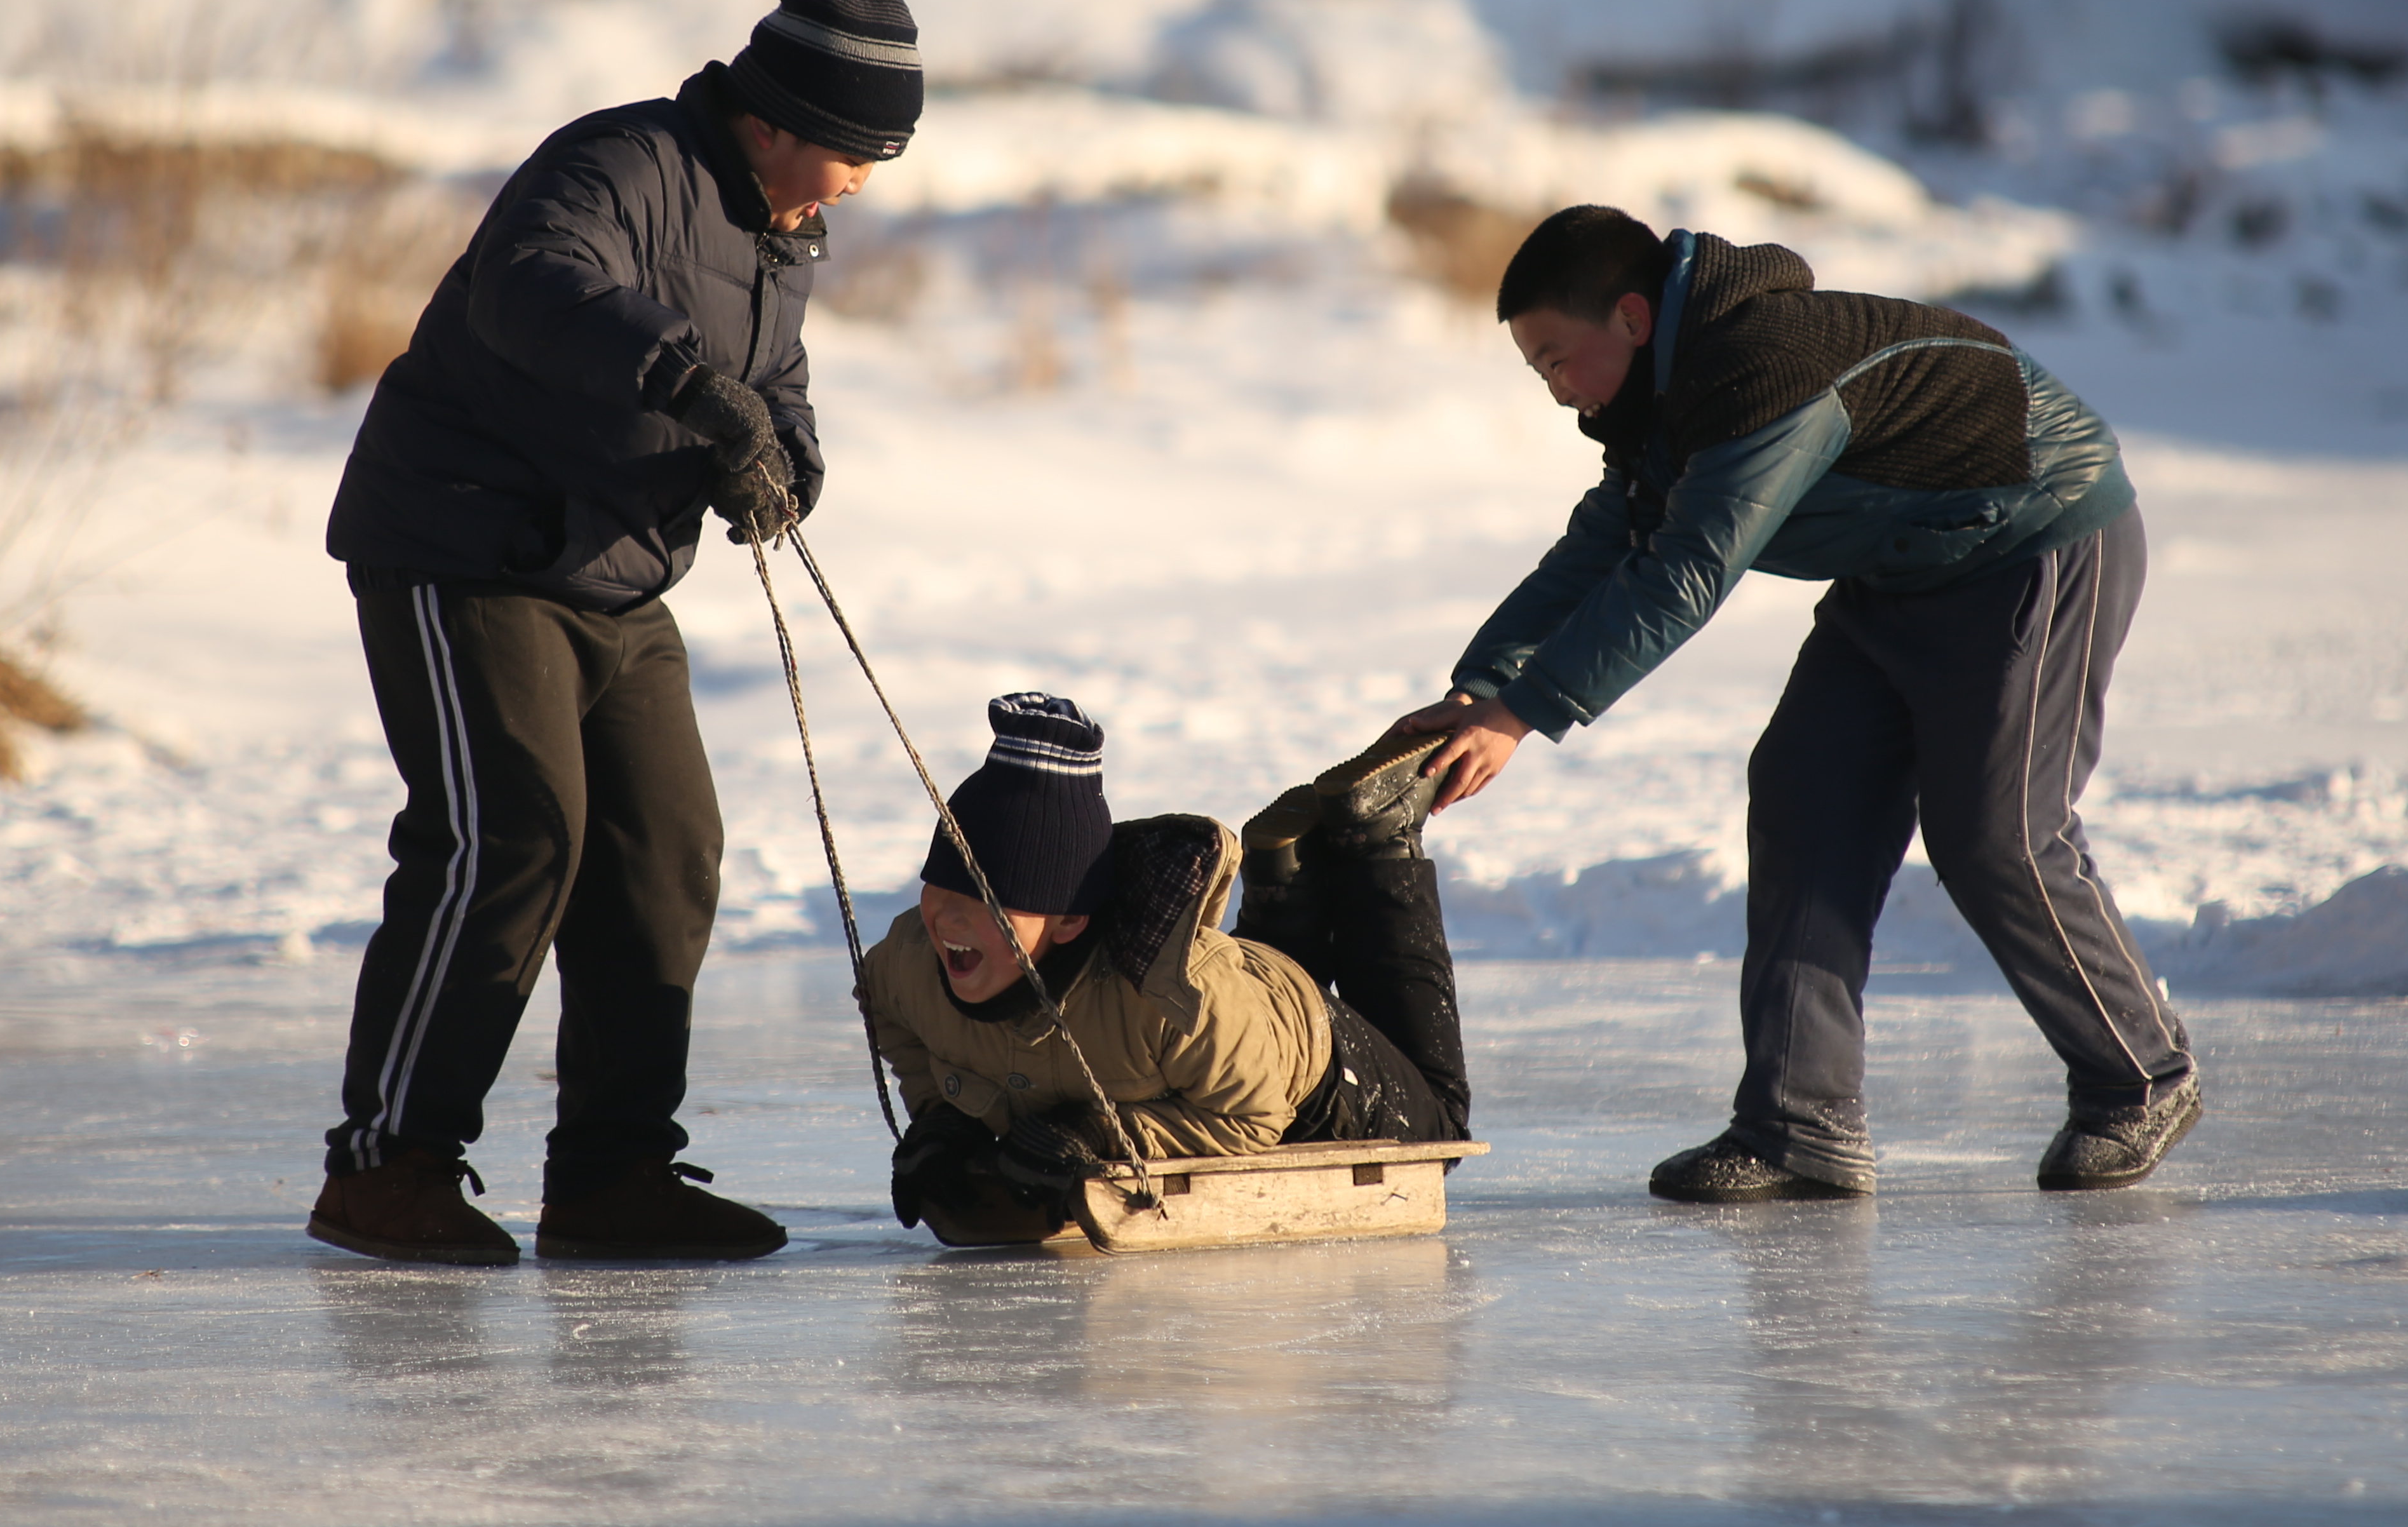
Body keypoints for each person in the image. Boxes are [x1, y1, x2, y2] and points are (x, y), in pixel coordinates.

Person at [304, 0, 921, 1266]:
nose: (861, 182)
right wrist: (694, 388)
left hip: (619, 573)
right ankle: (388, 1168)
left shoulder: (780, 229)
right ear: (774, 116)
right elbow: (531, 282)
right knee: (511, 835)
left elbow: (780, 381)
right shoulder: (621, 161)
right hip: (468, 547)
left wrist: (780, 466)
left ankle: (611, 1176)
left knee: (665, 850)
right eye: (855, 150)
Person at [1398, 205, 2199, 1202]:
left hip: (2033, 538)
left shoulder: (1760, 366)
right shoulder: (1658, 404)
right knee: (1805, 791)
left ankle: (2139, 1076)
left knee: (1996, 832)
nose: (1558, 390)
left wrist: (1522, 714)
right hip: (1903, 570)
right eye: (1539, 372)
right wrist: (1480, 685)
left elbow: (1684, 573)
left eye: (1558, 359)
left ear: (1634, 320)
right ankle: (1799, 1124)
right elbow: (1606, 543)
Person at [857, 696, 1470, 1243]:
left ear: (1069, 922)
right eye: (943, 887)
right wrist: (944, 1119)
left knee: (1438, 1128)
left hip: (1307, 1072)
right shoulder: (910, 963)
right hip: (1230, 1029)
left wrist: (1102, 1132)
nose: (951, 922)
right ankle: (1285, 872)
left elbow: (1252, 1116)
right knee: (1219, 1025)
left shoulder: (1160, 995)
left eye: (990, 902)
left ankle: (1379, 838)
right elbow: (884, 1007)